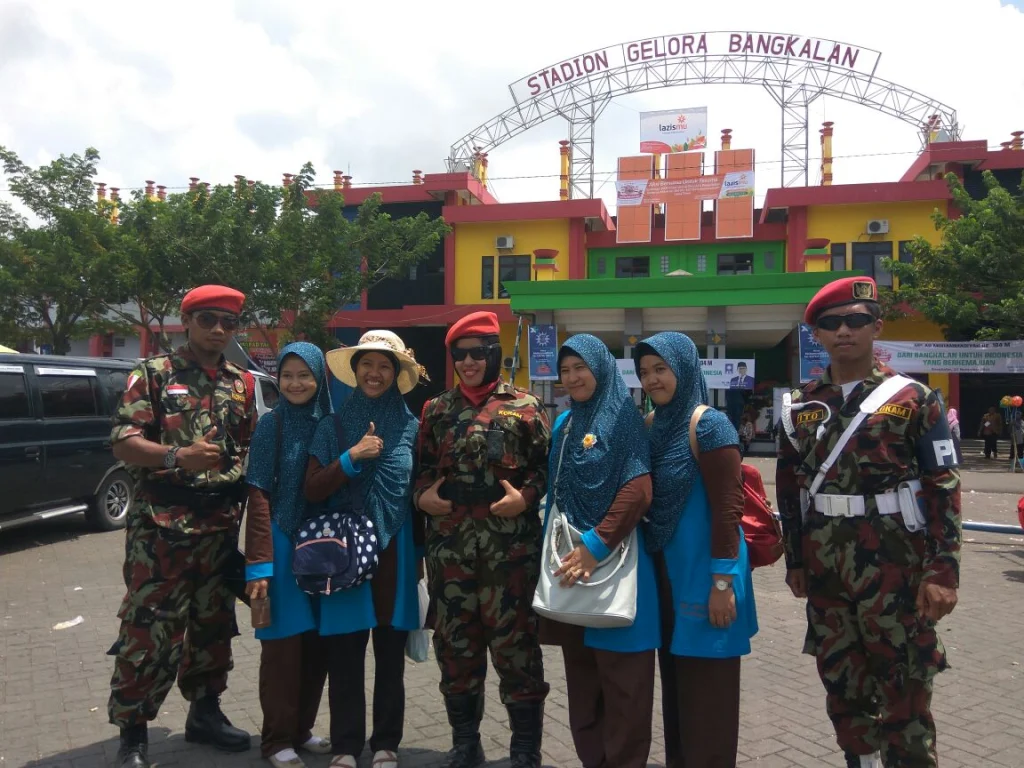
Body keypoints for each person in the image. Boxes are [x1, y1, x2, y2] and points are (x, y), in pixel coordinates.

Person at [777, 277, 961, 768]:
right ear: (816, 334)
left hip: (896, 568)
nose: (844, 331)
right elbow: (790, 491)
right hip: (826, 569)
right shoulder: (800, 407)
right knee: (843, 689)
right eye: (830, 323)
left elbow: (943, 484)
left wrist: (943, 571)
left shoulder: (915, 398)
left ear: (876, 326)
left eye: (856, 320)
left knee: (905, 692)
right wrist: (795, 560)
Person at [107, 285, 255, 768]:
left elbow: (249, 447)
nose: (218, 329)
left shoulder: (242, 383)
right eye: (208, 319)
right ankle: (133, 734)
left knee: (213, 627)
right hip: (162, 530)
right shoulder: (153, 374)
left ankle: (205, 714)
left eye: (228, 322)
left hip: (219, 528)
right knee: (148, 631)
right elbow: (124, 442)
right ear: (187, 321)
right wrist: (176, 455)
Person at [414, 310, 550, 768]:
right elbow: (422, 472)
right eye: (460, 355)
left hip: (510, 553)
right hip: (451, 551)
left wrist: (526, 497)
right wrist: (422, 498)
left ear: (494, 354)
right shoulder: (436, 410)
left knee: (517, 650)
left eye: (478, 353)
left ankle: (525, 748)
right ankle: (465, 742)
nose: (469, 362)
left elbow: (546, 472)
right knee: (455, 648)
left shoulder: (526, 407)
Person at [303, 331, 426, 768]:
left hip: (397, 551)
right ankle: (345, 746)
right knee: (345, 653)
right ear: (354, 371)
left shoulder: (414, 426)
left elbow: (422, 490)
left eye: (385, 365)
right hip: (344, 550)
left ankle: (387, 743)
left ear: (397, 373)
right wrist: (352, 457)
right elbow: (312, 489)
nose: (375, 373)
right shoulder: (332, 426)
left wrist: (423, 561)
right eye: (367, 364)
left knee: (390, 654)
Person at [635, 332, 757, 768]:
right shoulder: (651, 425)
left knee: (709, 697)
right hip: (665, 577)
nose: (651, 380)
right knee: (677, 691)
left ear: (684, 368)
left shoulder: (709, 424)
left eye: (660, 369)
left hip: (708, 578)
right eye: (644, 371)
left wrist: (723, 582)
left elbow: (729, 507)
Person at [543, 334, 656, 768]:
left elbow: (638, 488)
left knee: (625, 685)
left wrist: (595, 543)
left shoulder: (624, 418)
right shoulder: (564, 423)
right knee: (583, 684)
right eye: (565, 370)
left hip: (617, 564)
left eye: (580, 368)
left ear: (602, 368)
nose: (572, 378)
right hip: (571, 567)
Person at [244, 342, 333, 768]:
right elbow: (258, 494)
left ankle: (302, 729)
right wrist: (259, 563)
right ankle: (276, 738)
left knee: (316, 645)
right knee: (282, 648)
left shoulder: (329, 424)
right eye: (288, 375)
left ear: (319, 378)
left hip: (321, 547)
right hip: (280, 543)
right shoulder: (271, 425)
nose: (296, 384)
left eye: (305, 375)